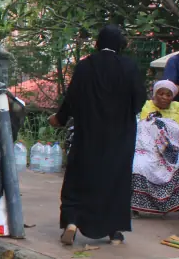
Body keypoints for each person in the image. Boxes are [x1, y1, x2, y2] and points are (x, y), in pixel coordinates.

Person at [50, 25, 144, 245]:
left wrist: (60, 119)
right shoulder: (129, 67)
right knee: (114, 181)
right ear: (120, 44)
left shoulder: (85, 66)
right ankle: (114, 231)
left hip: (87, 136)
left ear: (98, 43)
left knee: (79, 177)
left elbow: (71, 99)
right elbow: (139, 101)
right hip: (119, 138)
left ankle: (72, 221)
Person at [131, 80, 179, 215]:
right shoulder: (144, 106)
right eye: (161, 94)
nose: (165, 97)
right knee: (138, 165)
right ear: (154, 94)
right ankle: (136, 206)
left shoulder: (178, 108)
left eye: (168, 95)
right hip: (148, 150)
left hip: (172, 151)